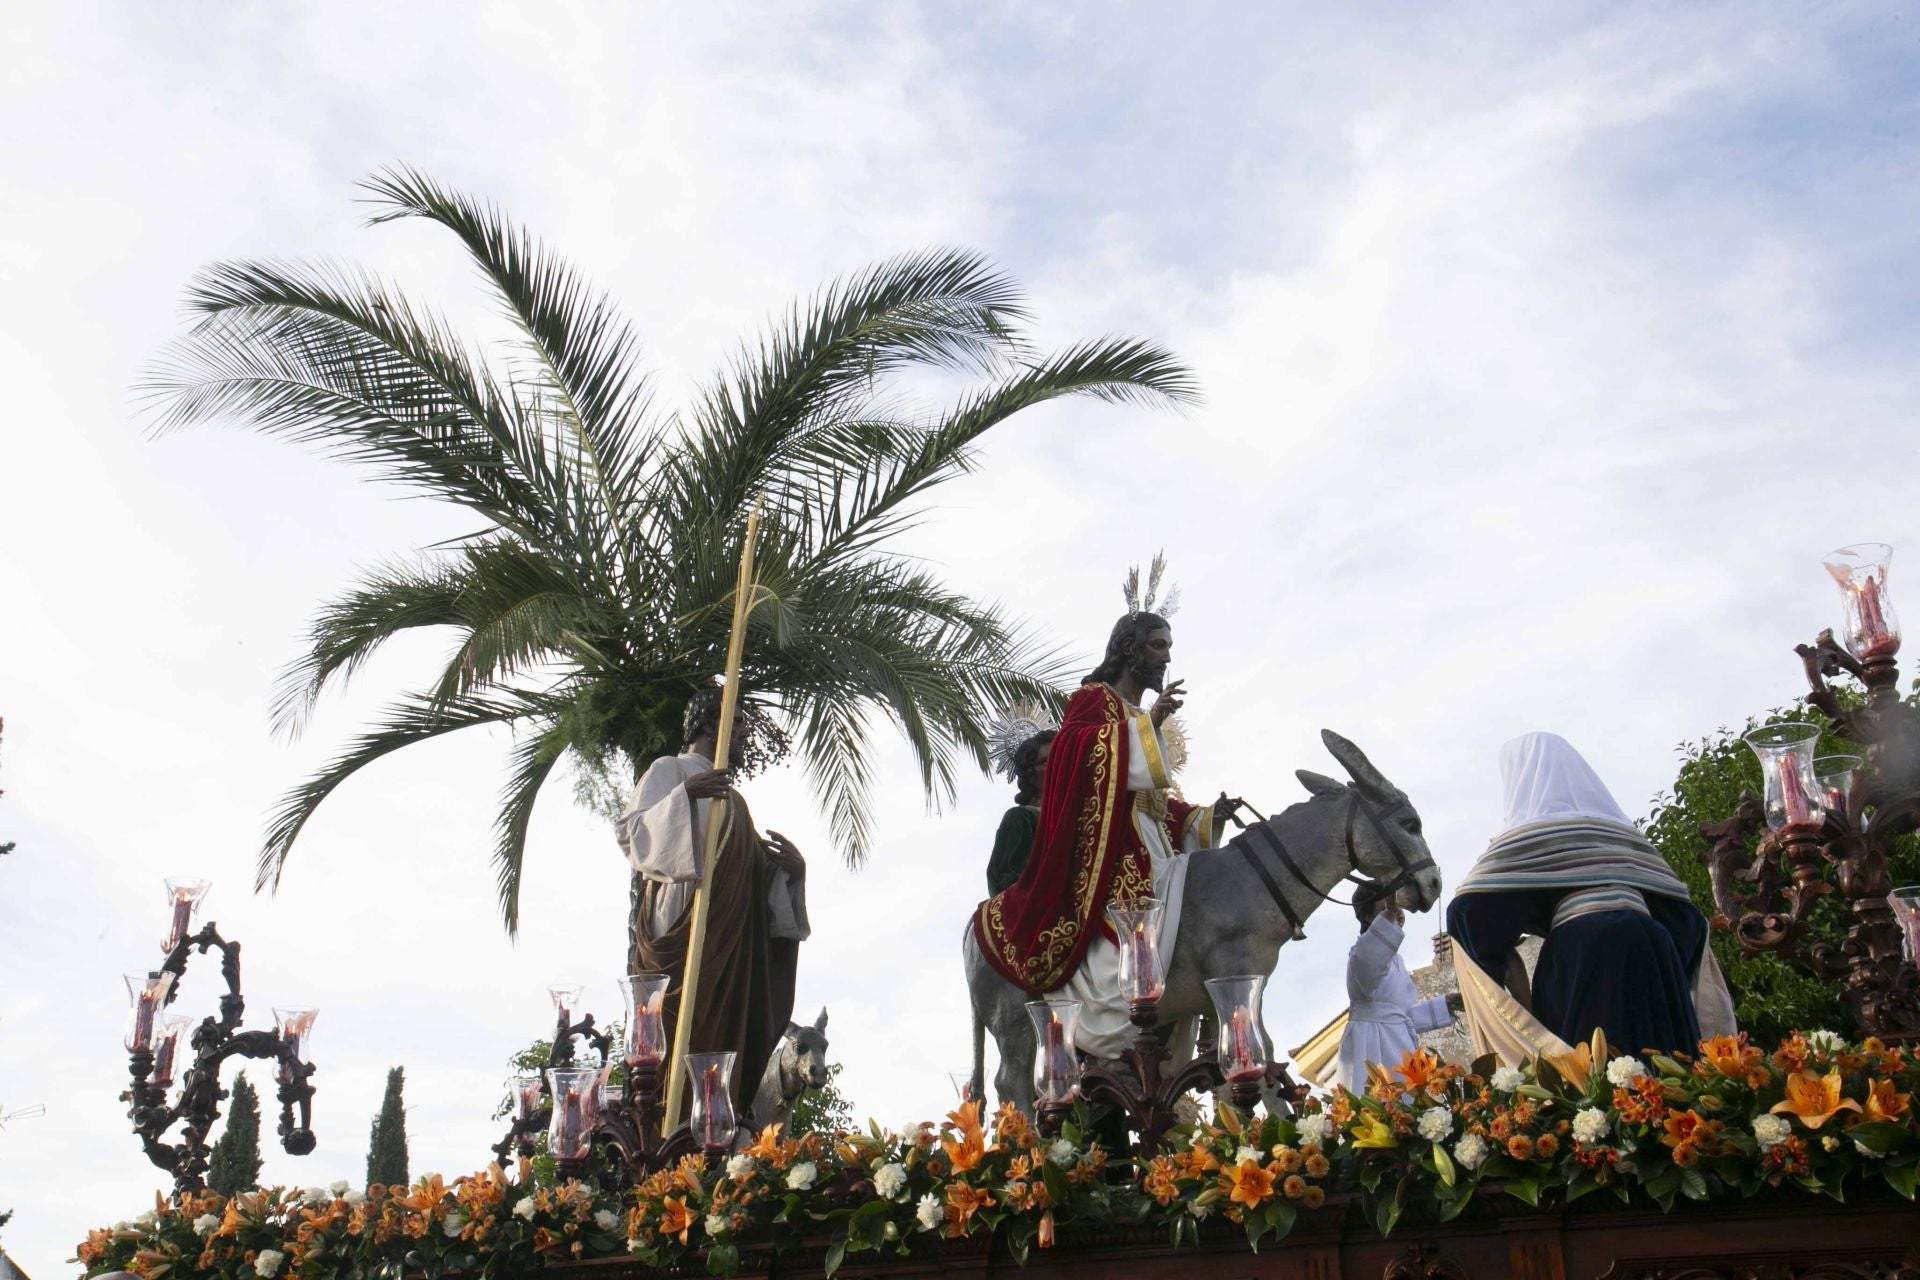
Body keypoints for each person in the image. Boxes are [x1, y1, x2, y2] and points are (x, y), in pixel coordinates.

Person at [973, 611, 1241, 1056]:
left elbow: (1155, 804)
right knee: (1140, 919)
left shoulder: (1136, 714)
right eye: (1158, 645)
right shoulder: (1092, 698)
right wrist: (1145, 727)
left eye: (1169, 647)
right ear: (1129, 649)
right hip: (1112, 847)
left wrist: (1204, 816)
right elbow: (1072, 752)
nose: (1166, 657)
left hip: (1152, 843)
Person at [1445, 731, 1734, 1058]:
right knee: (1667, 1063)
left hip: (1582, 952)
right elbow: (1687, 924)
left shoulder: (1526, 835)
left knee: (1596, 1071)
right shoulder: (1624, 834)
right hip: (1654, 948)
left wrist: (1498, 964)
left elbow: (1468, 913)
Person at [617, 687, 810, 1114]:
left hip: (726, 946)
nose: (743, 734)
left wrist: (790, 873)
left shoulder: (734, 802)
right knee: (672, 1038)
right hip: (678, 923)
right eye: (736, 723)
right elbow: (631, 833)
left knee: (718, 1042)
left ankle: (711, 1125)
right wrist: (684, 795)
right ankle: (659, 1123)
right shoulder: (669, 769)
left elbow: (750, 876)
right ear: (709, 724)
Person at [1338, 882, 1460, 1090]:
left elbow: (1401, 1016)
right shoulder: (1360, 953)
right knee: (1379, 1102)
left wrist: (1444, 1004)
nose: (1396, 912)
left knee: (1412, 1102)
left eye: (1396, 906)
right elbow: (1370, 958)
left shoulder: (1396, 960)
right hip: (1372, 1044)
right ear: (1367, 916)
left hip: (1400, 1043)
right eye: (1385, 908)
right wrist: (1390, 915)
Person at [986, 730, 1055, 896]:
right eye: (1046, 762)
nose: (1056, 766)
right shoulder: (1020, 818)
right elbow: (1003, 884)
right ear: (1030, 773)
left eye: (1060, 758)